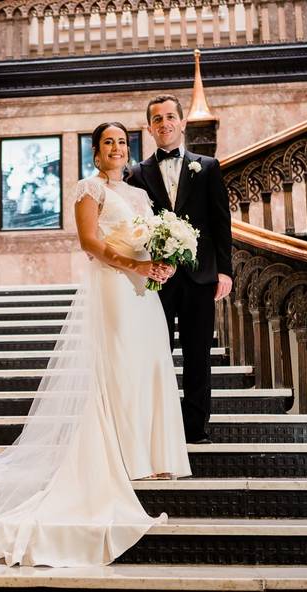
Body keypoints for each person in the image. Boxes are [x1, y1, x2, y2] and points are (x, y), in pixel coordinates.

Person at [0, 122, 191, 569]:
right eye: (107, 143)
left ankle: (150, 454)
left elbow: (153, 237)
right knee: (116, 364)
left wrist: (163, 264)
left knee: (147, 365)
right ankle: (119, 450)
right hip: (114, 287)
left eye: (121, 142)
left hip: (142, 290)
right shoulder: (87, 189)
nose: (116, 148)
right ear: (95, 152)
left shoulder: (138, 195)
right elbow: (91, 243)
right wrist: (138, 263)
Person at [127, 94, 233, 445]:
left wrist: (225, 271)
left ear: (182, 122)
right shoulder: (136, 174)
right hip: (158, 279)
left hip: (201, 276)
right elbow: (134, 226)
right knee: (156, 353)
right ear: (149, 127)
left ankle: (195, 429)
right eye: (157, 119)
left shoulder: (208, 166)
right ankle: (158, 426)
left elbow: (221, 223)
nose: (165, 124)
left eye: (170, 117)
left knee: (198, 354)